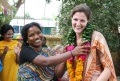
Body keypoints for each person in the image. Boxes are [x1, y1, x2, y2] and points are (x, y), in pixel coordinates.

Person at [17, 22, 90, 81]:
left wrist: (65, 55)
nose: (36, 36)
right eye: (31, 35)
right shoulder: (26, 51)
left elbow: (58, 74)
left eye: (38, 32)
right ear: (26, 39)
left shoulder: (48, 51)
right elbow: (46, 62)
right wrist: (71, 53)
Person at [65, 3, 117, 81]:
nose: (78, 24)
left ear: (88, 20)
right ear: (71, 18)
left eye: (82, 20)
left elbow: (108, 68)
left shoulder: (96, 37)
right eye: (75, 19)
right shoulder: (70, 42)